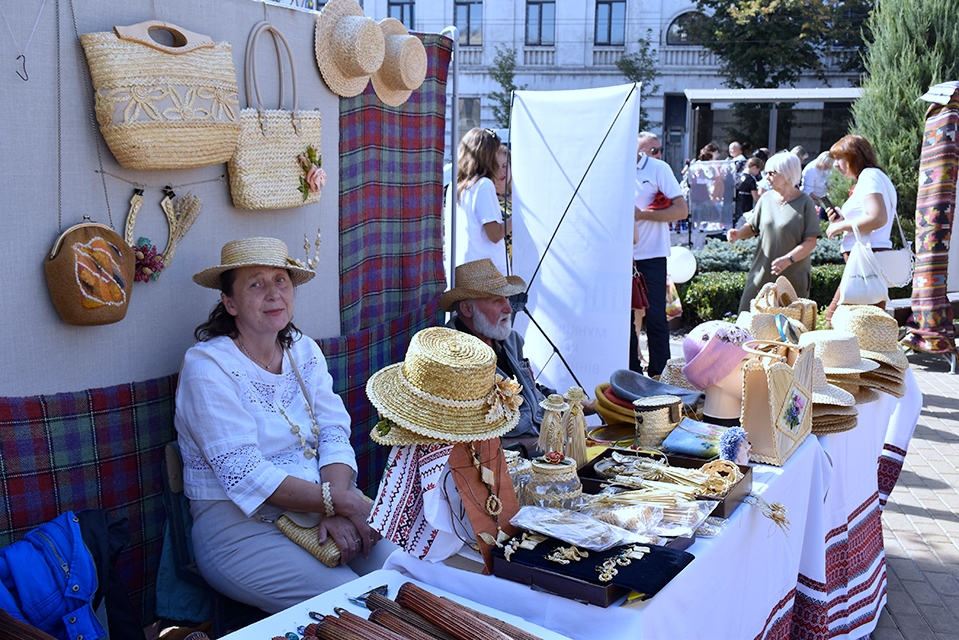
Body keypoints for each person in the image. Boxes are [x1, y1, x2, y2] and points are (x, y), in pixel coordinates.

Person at [174, 237, 393, 613]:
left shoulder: (303, 350)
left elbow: (334, 432)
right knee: (357, 607)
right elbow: (246, 474)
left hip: (322, 503)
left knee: (406, 573)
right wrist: (337, 503)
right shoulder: (207, 366)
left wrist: (336, 507)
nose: (273, 294)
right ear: (229, 303)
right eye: (256, 284)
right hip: (240, 529)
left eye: (281, 280)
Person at [441, 258, 594, 454]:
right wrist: (540, 443)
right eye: (497, 300)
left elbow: (533, 396)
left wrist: (586, 406)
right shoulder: (453, 359)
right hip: (507, 467)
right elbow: (466, 445)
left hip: (545, 445)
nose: (509, 309)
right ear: (467, 309)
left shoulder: (510, 340)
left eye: (507, 299)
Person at [728, 152, 820, 312]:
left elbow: (811, 241)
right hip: (762, 273)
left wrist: (788, 259)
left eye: (772, 173)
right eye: (766, 172)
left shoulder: (805, 203)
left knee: (789, 327)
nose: (767, 177)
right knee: (748, 319)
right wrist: (739, 233)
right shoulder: (766, 199)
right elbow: (753, 227)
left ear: (787, 173)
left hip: (792, 277)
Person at [822, 134, 897, 326]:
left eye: (840, 158)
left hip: (866, 257)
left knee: (836, 319)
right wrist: (844, 220)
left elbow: (877, 217)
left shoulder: (869, 176)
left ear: (855, 156)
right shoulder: (875, 176)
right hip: (869, 256)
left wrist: (840, 225)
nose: (836, 164)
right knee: (866, 324)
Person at [633, 132, 689, 377]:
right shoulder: (611, 168)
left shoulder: (658, 169)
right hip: (617, 257)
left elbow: (681, 210)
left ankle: (660, 376)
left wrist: (642, 215)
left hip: (651, 256)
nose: (657, 154)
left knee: (656, 317)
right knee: (622, 321)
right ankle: (630, 373)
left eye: (657, 150)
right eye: (652, 150)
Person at [453, 127, 510, 274]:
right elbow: (495, 235)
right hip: (485, 275)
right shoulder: (483, 185)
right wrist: (518, 217)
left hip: (464, 270)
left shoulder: (457, 185)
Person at [734, 156, 763, 227]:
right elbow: (756, 197)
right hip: (748, 205)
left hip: (738, 205)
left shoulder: (740, 177)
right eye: (758, 171)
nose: (757, 173)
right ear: (754, 167)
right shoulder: (751, 179)